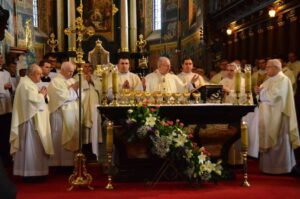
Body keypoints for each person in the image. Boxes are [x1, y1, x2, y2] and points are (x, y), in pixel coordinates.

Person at [246, 59, 300, 174]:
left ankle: (282, 168)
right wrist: (257, 92)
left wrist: (260, 93)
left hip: (278, 116)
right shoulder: (270, 80)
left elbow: (274, 96)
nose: (266, 69)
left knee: (279, 142)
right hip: (268, 116)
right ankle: (268, 168)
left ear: (276, 68)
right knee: (269, 140)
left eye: (268, 67)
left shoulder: (283, 79)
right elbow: (261, 95)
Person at [10, 64, 54, 178]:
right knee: (31, 148)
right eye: (38, 74)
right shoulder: (25, 85)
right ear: (30, 74)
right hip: (30, 122)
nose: (41, 76)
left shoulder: (30, 83)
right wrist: (42, 95)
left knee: (36, 148)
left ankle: (36, 172)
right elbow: (32, 102)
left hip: (35, 120)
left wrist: (43, 95)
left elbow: (39, 99)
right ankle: (31, 173)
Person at [47, 61, 79, 166]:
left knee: (71, 135)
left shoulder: (72, 80)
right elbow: (63, 97)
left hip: (71, 114)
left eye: (72, 71)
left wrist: (75, 90)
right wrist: (73, 89)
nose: (71, 74)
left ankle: (70, 163)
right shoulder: (56, 81)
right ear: (62, 70)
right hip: (60, 115)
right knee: (60, 137)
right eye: (69, 71)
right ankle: (59, 163)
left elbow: (79, 95)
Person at [0, 53, 14, 165]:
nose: (1, 59)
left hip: (7, 105)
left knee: (5, 133)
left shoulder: (7, 73)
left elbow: (11, 87)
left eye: (1, 57)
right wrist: (2, 87)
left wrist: (10, 87)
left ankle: (6, 157)